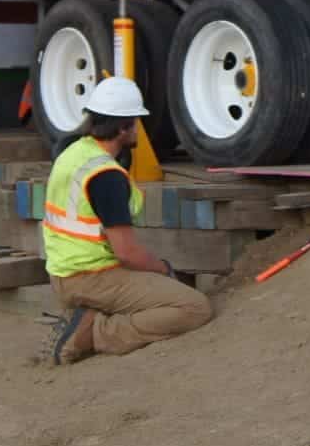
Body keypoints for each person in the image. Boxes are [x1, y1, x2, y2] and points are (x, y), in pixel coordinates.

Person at [46, 77, 213, 365]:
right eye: (135, 122)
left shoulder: (74, 153)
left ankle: (89, 317)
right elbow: (127, 254)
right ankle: (96, 333)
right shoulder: (106, 177)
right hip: (91, 277)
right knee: (194, 307)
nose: (139, 129)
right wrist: (164, 269)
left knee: (156, 286)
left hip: (65, 271)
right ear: (123, 128)